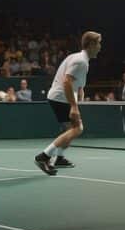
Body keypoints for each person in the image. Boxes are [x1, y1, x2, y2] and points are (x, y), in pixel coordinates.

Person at [34, 32, 103, 174]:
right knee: (78, 128)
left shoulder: (78, 58)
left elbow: (76, 83)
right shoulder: (81, 61)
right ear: (90, 45)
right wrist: (74, 106)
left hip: (58, 96)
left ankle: (59, 158)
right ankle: (44, 156)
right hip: (61, 97)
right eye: (98, 44)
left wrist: (80, 93)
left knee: (70, 129)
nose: (100, 47)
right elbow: (67, 81)